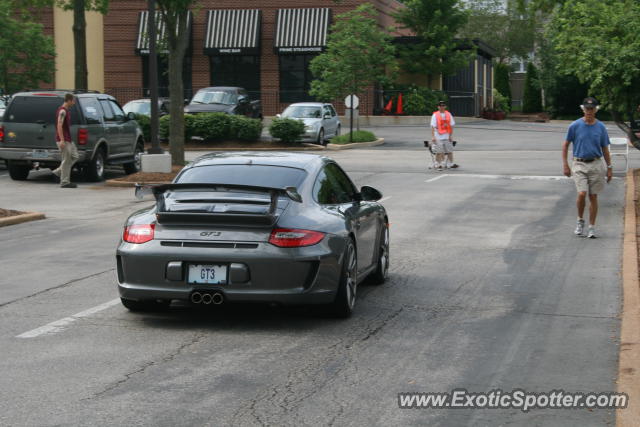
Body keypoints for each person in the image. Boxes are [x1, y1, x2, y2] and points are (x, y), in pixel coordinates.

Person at [562, 97, 612, 238]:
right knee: (582, 193)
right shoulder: (575, 125)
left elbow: (605, 149)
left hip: (596, 163)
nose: (589, 111)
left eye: (592, 108)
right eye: (587, 108)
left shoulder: (601, 127)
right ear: (583, 109)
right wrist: (565, 164)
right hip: (579, 163)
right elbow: (565, 145)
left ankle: (591, 227)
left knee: (593, 196)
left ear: (596, 110)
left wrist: (609, 168)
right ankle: (580, 220)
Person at [51, 93, 79, 188]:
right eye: (73, 101)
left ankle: (58, 172)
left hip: (69, 139)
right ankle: (65, 182)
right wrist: (62, 140)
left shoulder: (66, 110)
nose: (74, 103)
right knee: (66, 160)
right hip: (63, 139)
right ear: (69, 100)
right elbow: (59, 125)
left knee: (75, 156)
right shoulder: (62, 111)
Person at [430, 100, 458, 170]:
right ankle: (438, 164)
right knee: (439, 151)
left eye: (443, 105)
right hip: (438, 136)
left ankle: (450, 163)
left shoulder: (448, 114)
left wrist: (451, 136)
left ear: (445, 106)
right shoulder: (435, 115)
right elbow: (433, 126)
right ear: (438, 107)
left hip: (447, 135)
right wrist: (433, 136)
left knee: (449, 151)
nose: (442, 107)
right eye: (440, 106)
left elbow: (451, 125)